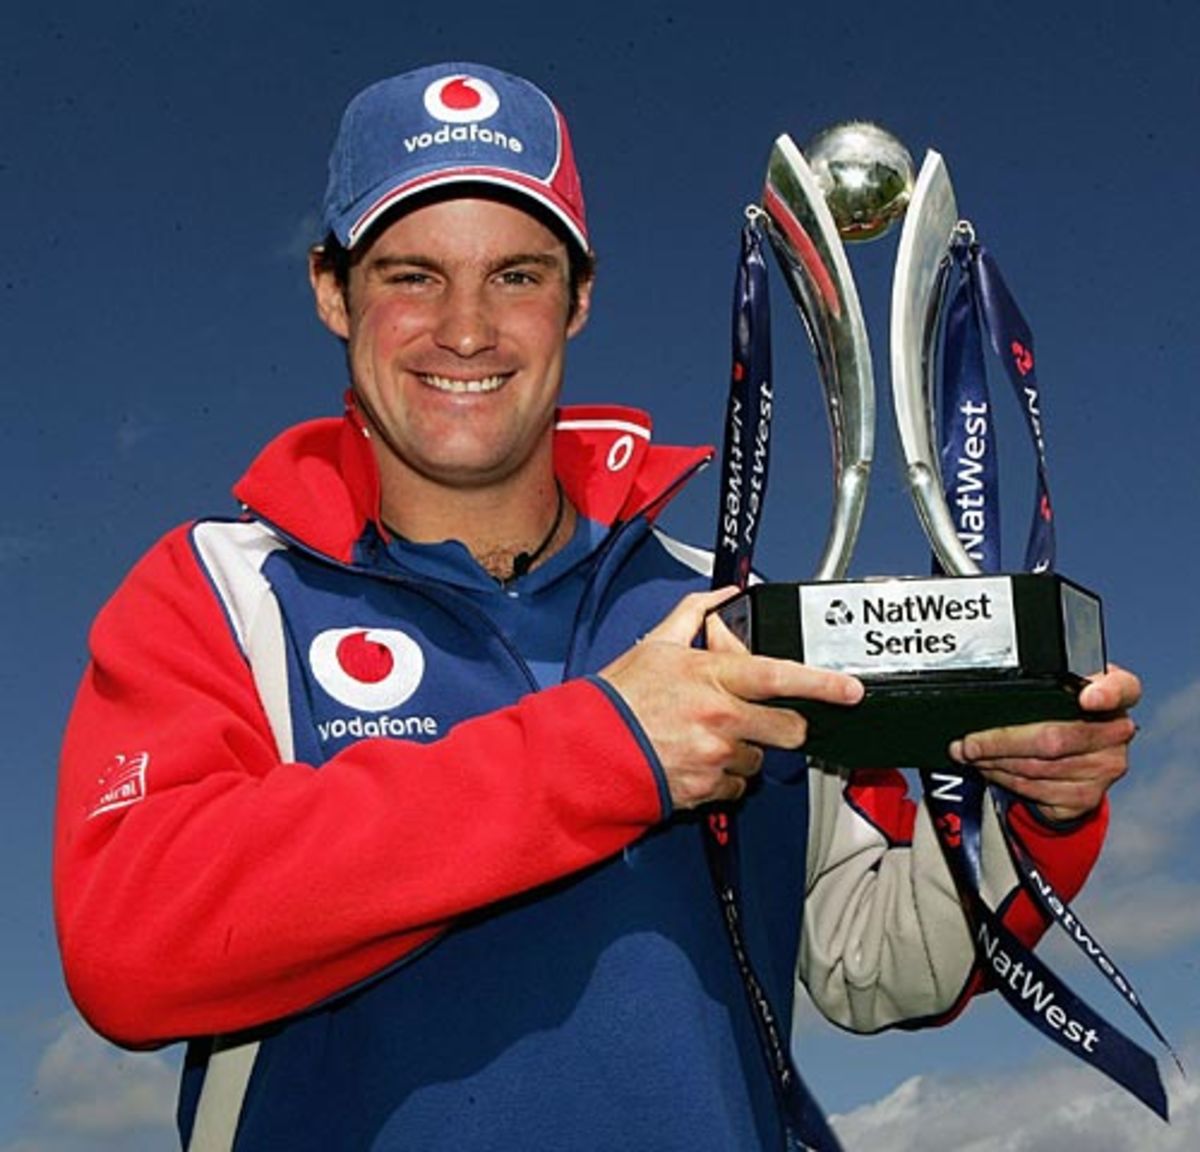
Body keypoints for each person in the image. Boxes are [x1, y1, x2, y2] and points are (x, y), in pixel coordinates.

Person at [54, 62, 1138, 1151]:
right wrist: (606, 751)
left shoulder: (722, 611)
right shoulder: (225, 589)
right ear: (333, 291)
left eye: (517, 276)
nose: (466, 331)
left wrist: (1034, 814)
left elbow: (875, 966)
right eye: (412, 276)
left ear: (579, 296)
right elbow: (133, 945)